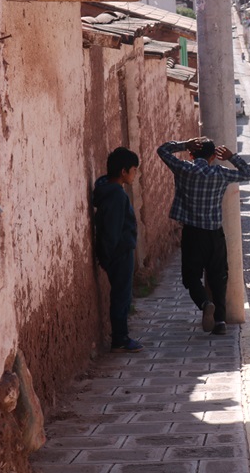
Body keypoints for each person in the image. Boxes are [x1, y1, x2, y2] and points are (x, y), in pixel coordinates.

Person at [158, 136, 250, 335]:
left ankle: (204, 303)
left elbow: (162, 150)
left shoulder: (184, 168)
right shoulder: (220, 173)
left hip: (192, 233)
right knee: (218, 277)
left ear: (192, 154)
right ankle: (219, 321)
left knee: (191, 276)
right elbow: (248, 174)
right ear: (213, 157)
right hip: (214, 235)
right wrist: (232, 157)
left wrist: (184, 144)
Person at [93, 147, 143, 353]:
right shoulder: (117, 196)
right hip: (120, 254)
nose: (135, 175)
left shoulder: (105, 188)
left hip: (116, 252)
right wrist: (108, 256)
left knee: (121, 294)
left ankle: (120, 336)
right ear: (123, 172)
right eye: (133, 170)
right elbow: (112, 230)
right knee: (122, 296)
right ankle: (120, 338)